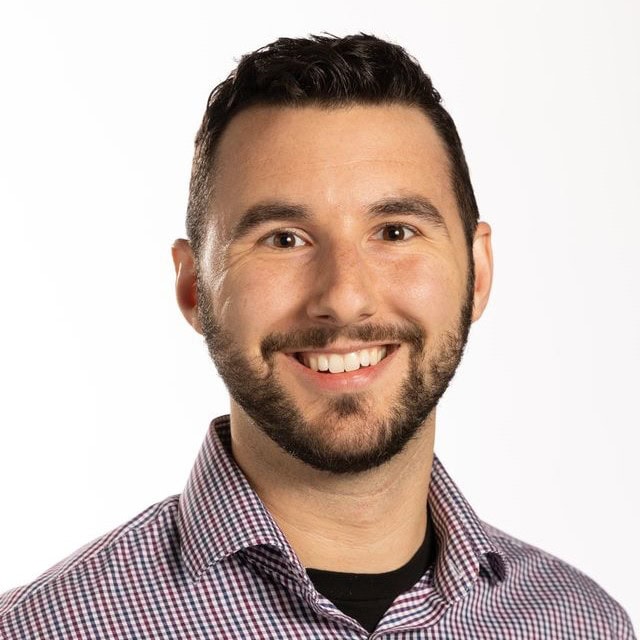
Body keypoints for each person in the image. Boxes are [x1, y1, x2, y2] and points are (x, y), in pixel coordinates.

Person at [0, 33, 635, 639]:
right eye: (282, 239)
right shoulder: (39, 629)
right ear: (195, 287)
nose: (343, 297)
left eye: (394, 231)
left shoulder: (585, 624)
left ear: (478, 273)